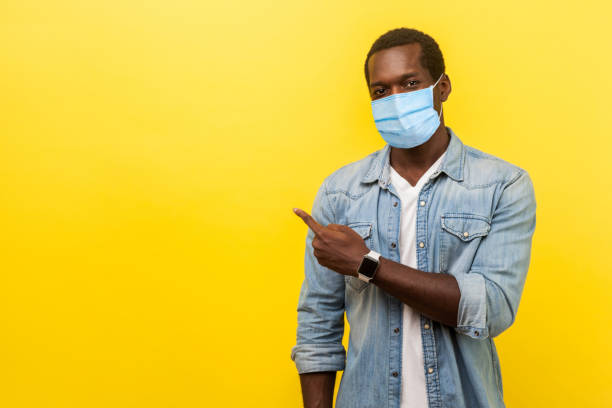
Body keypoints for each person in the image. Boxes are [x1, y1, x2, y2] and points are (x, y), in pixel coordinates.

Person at [290, 28, 537, 408]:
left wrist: (366, 264)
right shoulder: (340, 193)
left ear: (442, 87)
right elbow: (317, 327)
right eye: (380, 91)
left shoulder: (502, 185)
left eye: (409, 83)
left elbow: (491, 308)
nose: (395, 99)